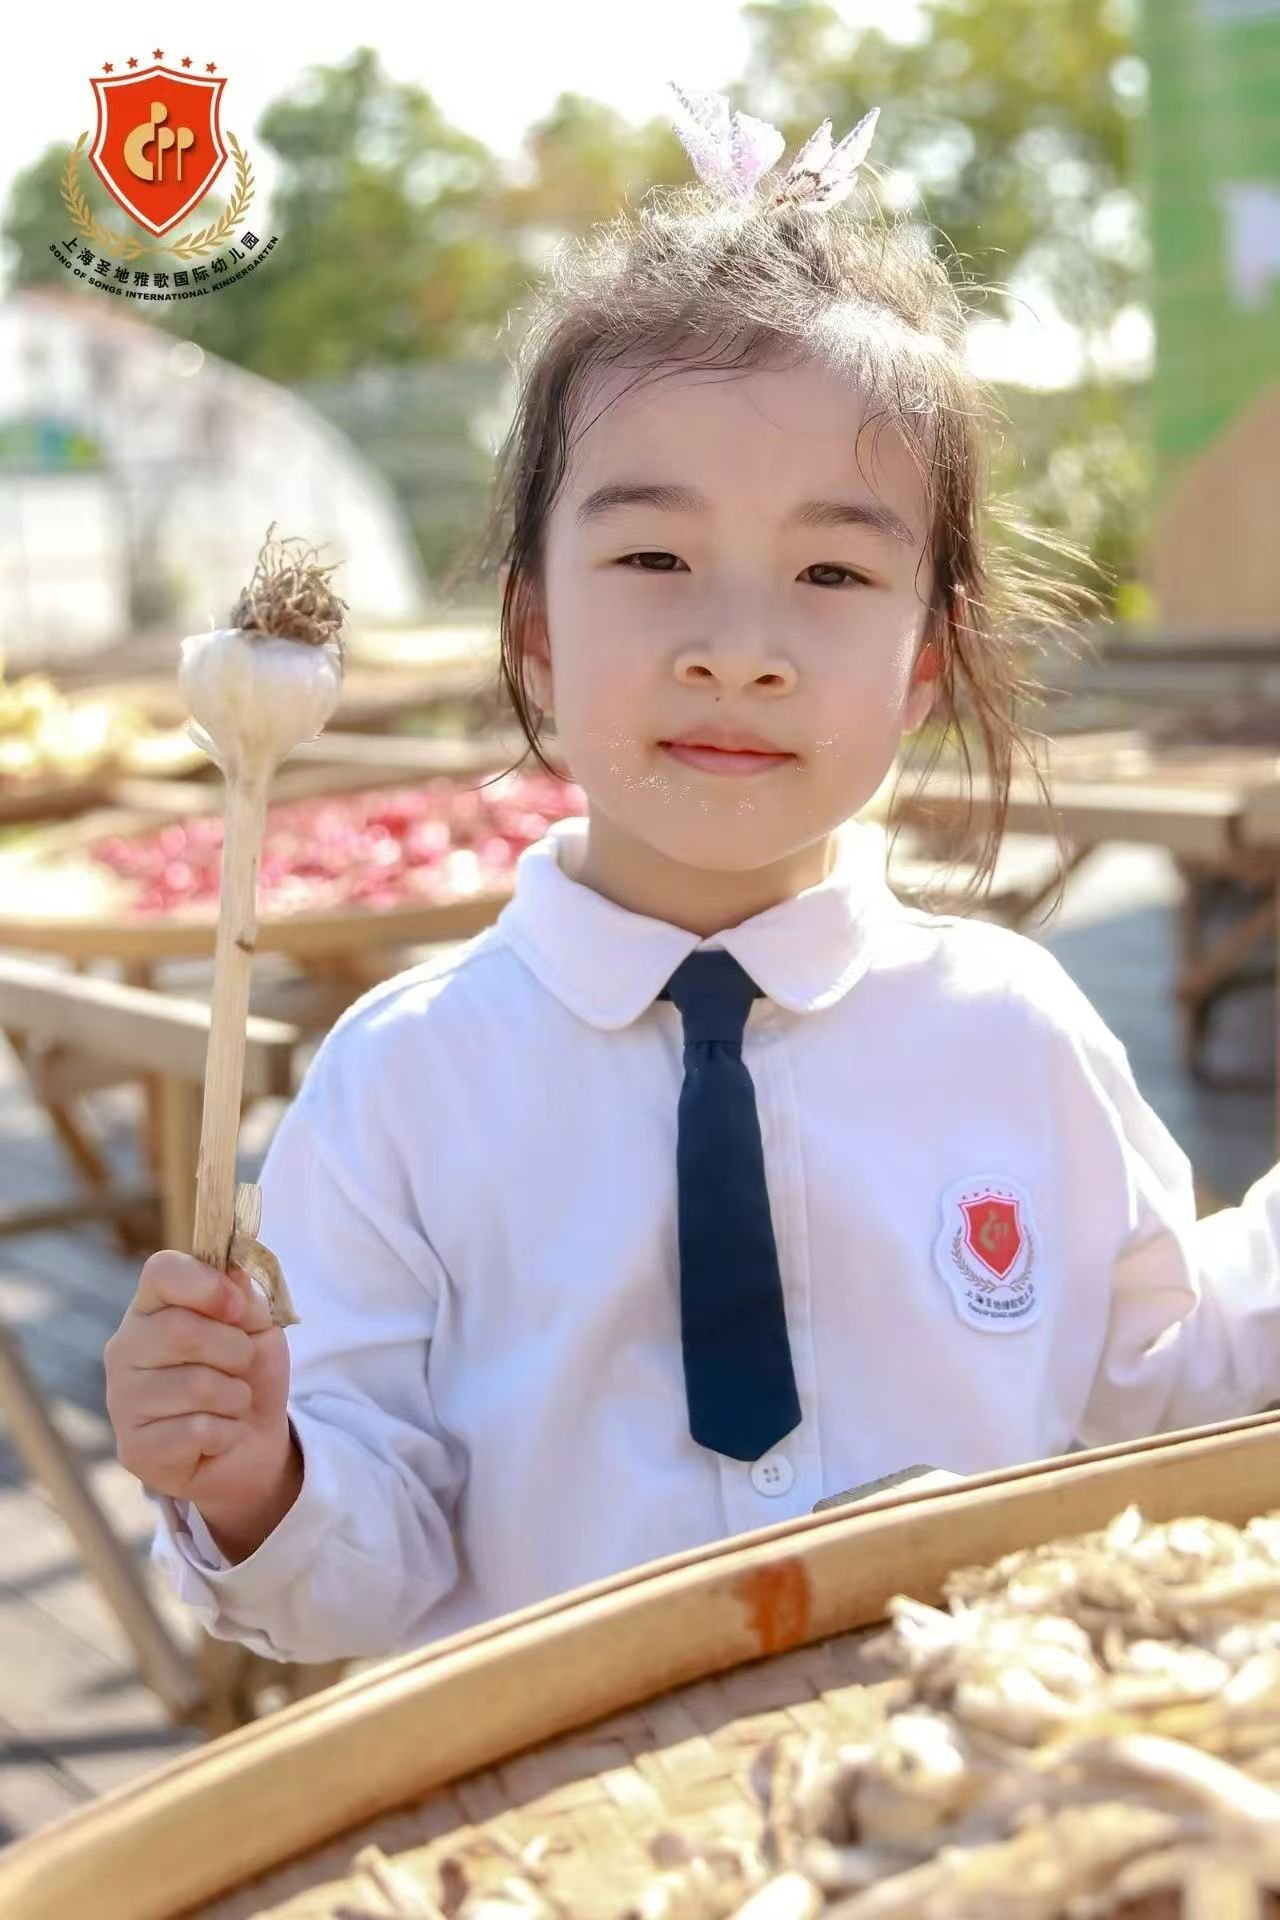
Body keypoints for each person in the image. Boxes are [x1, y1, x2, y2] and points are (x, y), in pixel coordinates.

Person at [105, 85, 1280, 1667]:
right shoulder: (400, 1085)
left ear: (925, 661)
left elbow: (1165, 1372)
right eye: (654, 558)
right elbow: (352, 1588)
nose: (740, 649)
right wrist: (260, 1478)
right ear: (531, 626)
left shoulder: (1019, 1033)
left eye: (834, 571)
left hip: (946, 1800)